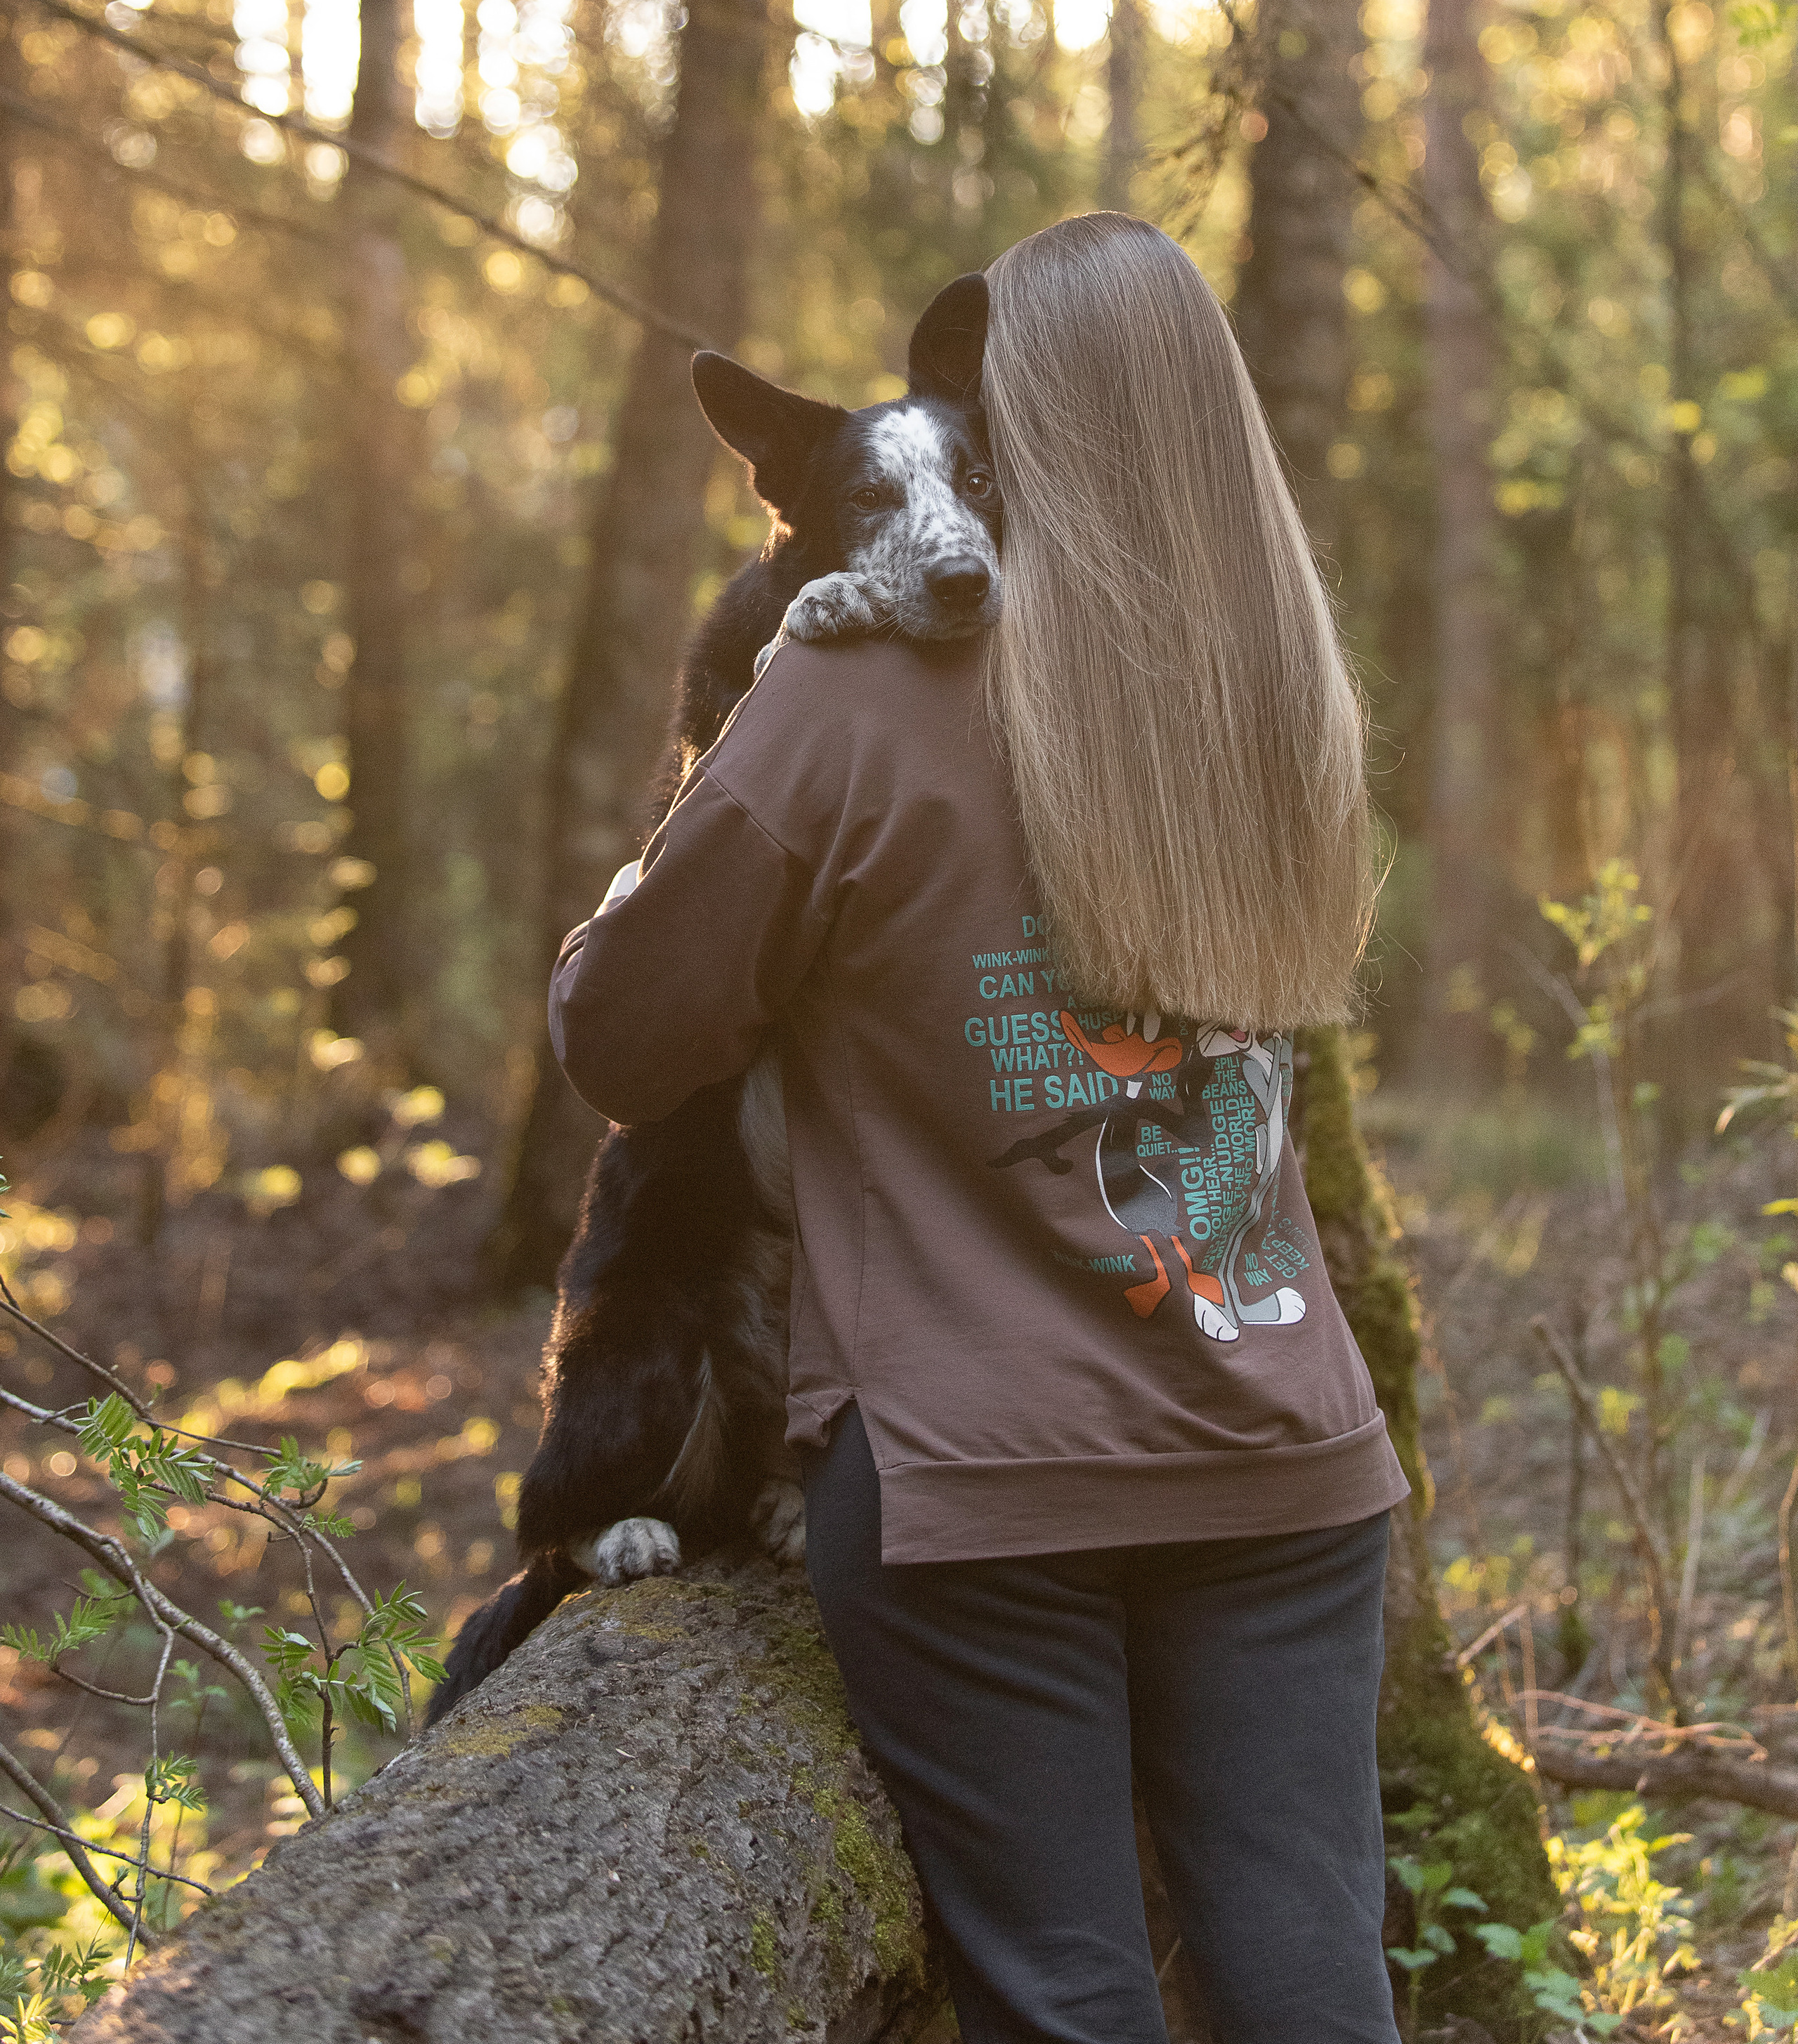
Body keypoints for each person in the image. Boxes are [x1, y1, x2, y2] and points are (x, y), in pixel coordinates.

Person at [551, 214, 1407, 2044]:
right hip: (1283, 1437)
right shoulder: (1278, 686)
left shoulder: (854, 683)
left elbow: (625, 1039)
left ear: (1013, 422)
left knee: (1068, 2001)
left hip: (975, 1472)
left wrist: (662, 872)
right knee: (1316, 1990)